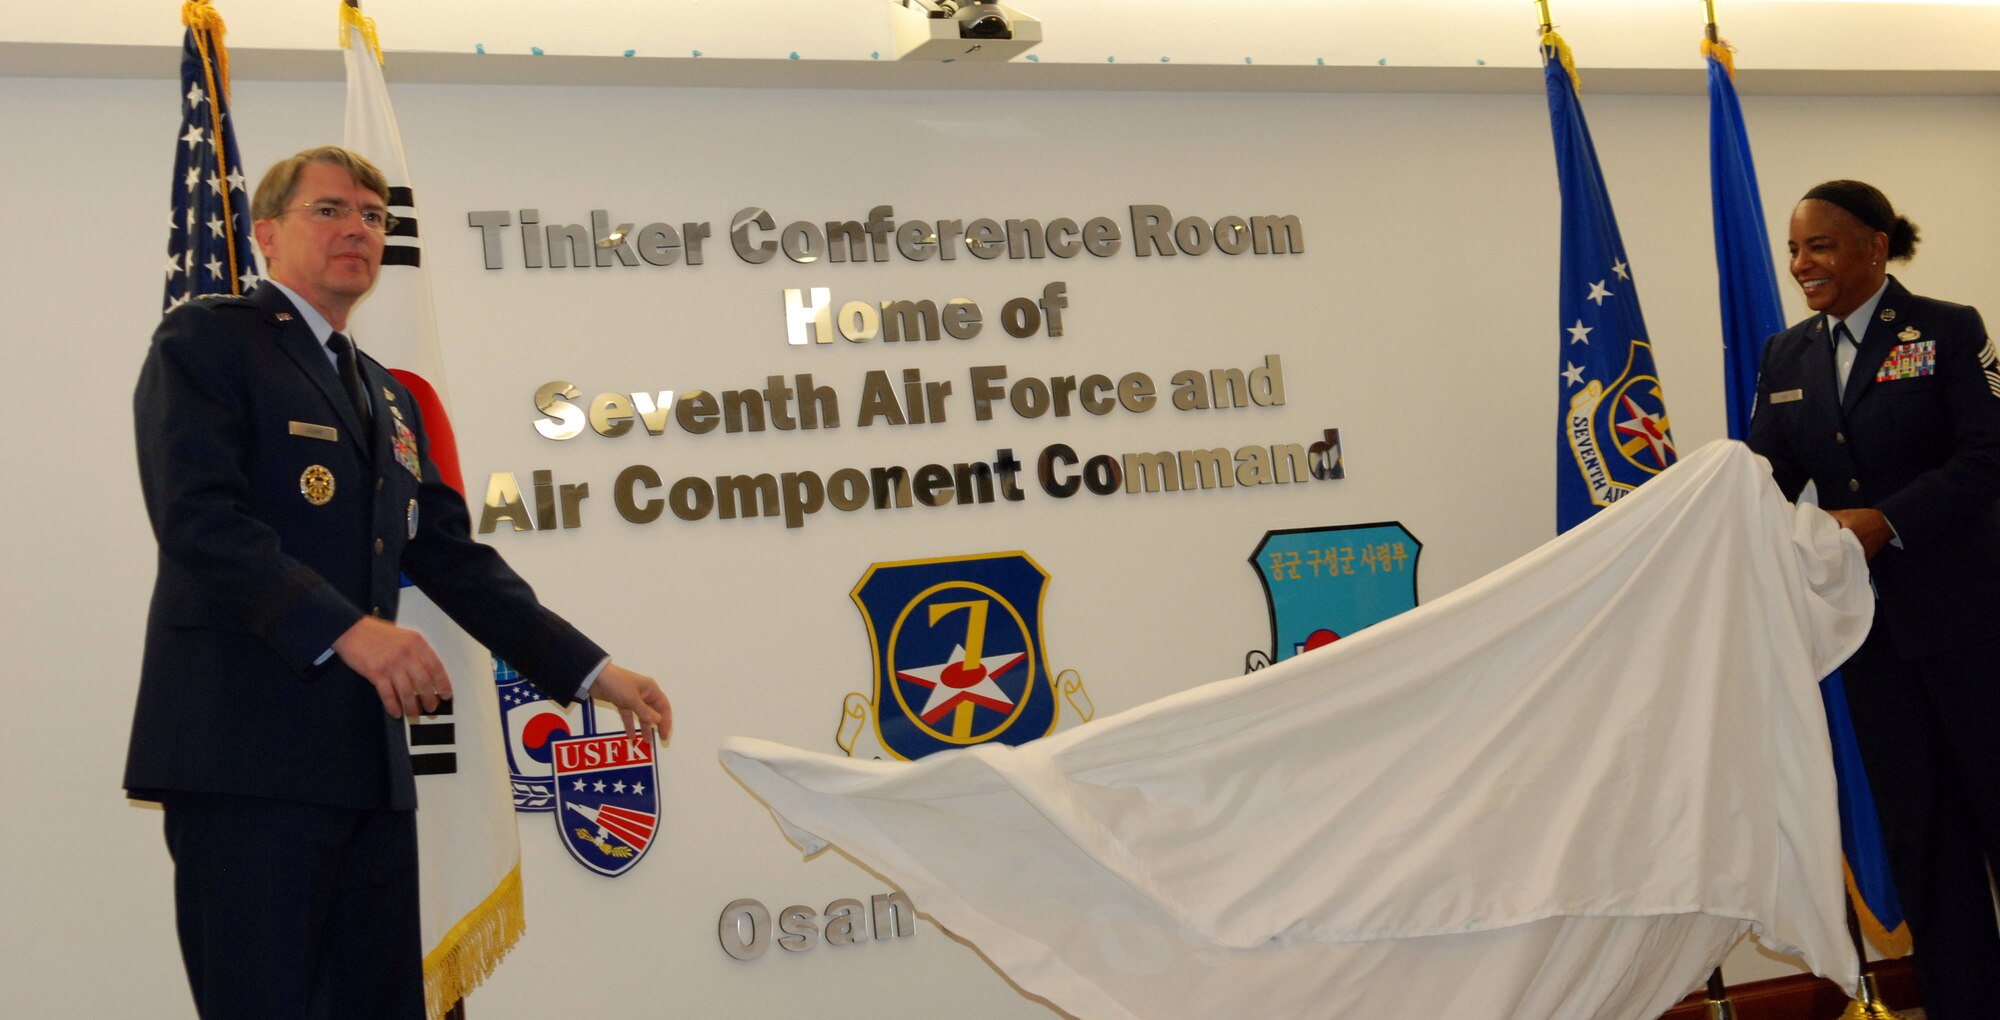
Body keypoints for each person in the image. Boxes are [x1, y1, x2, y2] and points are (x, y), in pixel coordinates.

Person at [125, 145, 673, 1019]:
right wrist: (349, 629)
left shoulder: (388, 395)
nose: (358, 232)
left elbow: (450, 557)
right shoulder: (209, 341)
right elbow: (200, 522)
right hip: (245, 753)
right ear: (267, 234)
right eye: (331, 211)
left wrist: (588, 670)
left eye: (375, 218)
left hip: (365, 761)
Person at [1747, 179, 2000, 1018]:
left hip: (1973, 627)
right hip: (1873, 644)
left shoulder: (1948, 329)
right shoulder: (1786, 356)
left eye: (1818, 246)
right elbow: (1766, 483)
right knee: (1924, 843)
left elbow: (1987, 457)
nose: (1800, 264)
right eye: (1792, 249)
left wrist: (1888, 520)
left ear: (1873, 247)